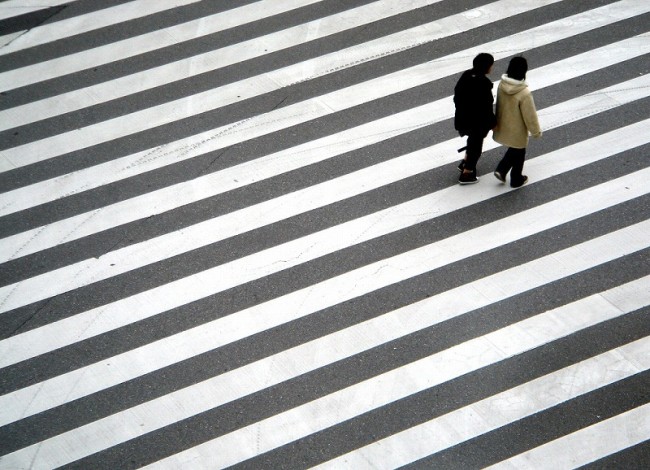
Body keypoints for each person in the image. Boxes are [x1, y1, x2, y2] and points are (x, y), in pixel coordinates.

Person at [492, 56, 542, 188]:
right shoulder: (524, 93)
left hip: (503, 123)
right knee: (520, 150)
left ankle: (502, 170)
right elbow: (530, 116)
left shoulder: (502, 85)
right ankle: (516, 178)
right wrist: (536, 132)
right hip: (517, 128)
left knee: (516, 149)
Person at [453, 53, 497, 185]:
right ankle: (467, 173)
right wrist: (493, 122)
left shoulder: (466, 75)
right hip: (477, 122)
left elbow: (457, 96)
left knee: (472, 142)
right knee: (476, 146)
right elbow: (486, 107)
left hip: (463, 118)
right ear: (486, 67)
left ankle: (465, 162)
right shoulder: (483, 83)